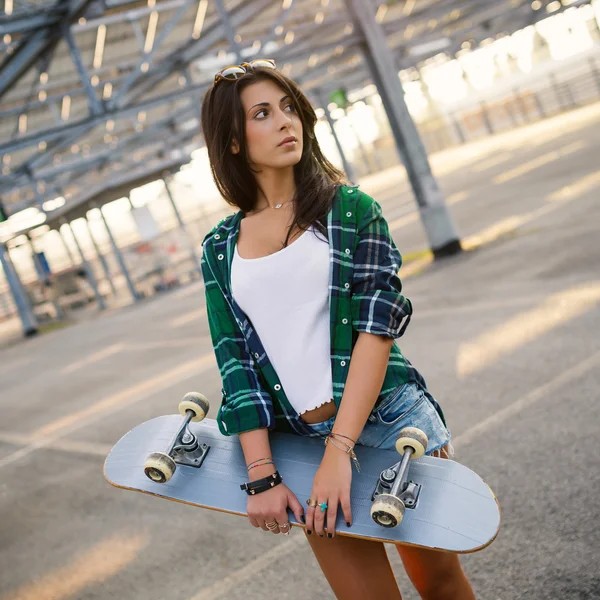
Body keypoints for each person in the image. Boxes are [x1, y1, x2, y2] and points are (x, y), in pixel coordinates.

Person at [199, 59, 475, 600]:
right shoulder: (219, 249)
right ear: (233, 141)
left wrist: (341, 451)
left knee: (440, 584)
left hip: (391, 426)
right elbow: (235, 365)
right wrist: (262, 473)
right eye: (262, 114)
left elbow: (377, 332)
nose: (285, 122)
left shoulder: (351, 211)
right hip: (300, 443)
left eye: (288, 108)